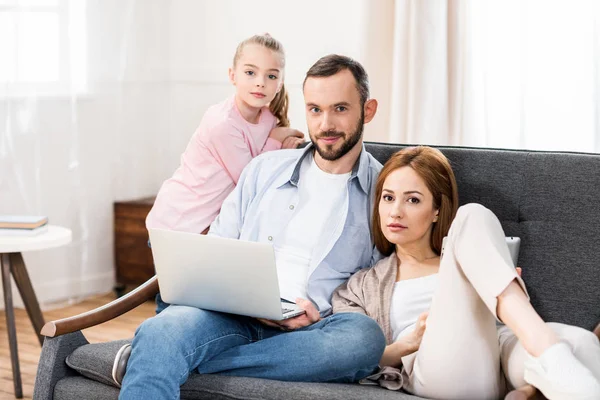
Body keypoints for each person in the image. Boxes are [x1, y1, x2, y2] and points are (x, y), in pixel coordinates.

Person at [116, 54, 387, 399]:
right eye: (315, 110)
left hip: (314, 332)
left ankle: (181, 361)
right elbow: (217, 247)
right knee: (161, 332)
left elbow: (382, 286)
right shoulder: (265, 169)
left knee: (364, 339)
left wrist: (316, 315)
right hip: (232, 315)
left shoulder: (386, 193)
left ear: (368, 110)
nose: (325, 124)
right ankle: (161, 351)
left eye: (340, 109)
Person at [332, 146, 600, 400]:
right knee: (471, 214)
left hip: (500, 347)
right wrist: (408, 343)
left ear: (437, 211)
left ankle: (539, 375)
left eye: (412, 200)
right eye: (388, 198)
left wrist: (499, 280)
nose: (395, 211)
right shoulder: (359, 287)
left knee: (583, 345)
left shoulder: (469, 249)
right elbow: (349, 360)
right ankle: (543, 364)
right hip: (439, 363)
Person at [146, 33, 304, 236]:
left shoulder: (269, 119)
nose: (260, 82)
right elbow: (251, 182)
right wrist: (277, 139)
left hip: (210, 224)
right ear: (232, 76)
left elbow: (265, 165)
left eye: (271, 76)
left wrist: (284, 142)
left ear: (280, 84)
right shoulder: (222, 123)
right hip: (177, 222)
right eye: (250, 72)